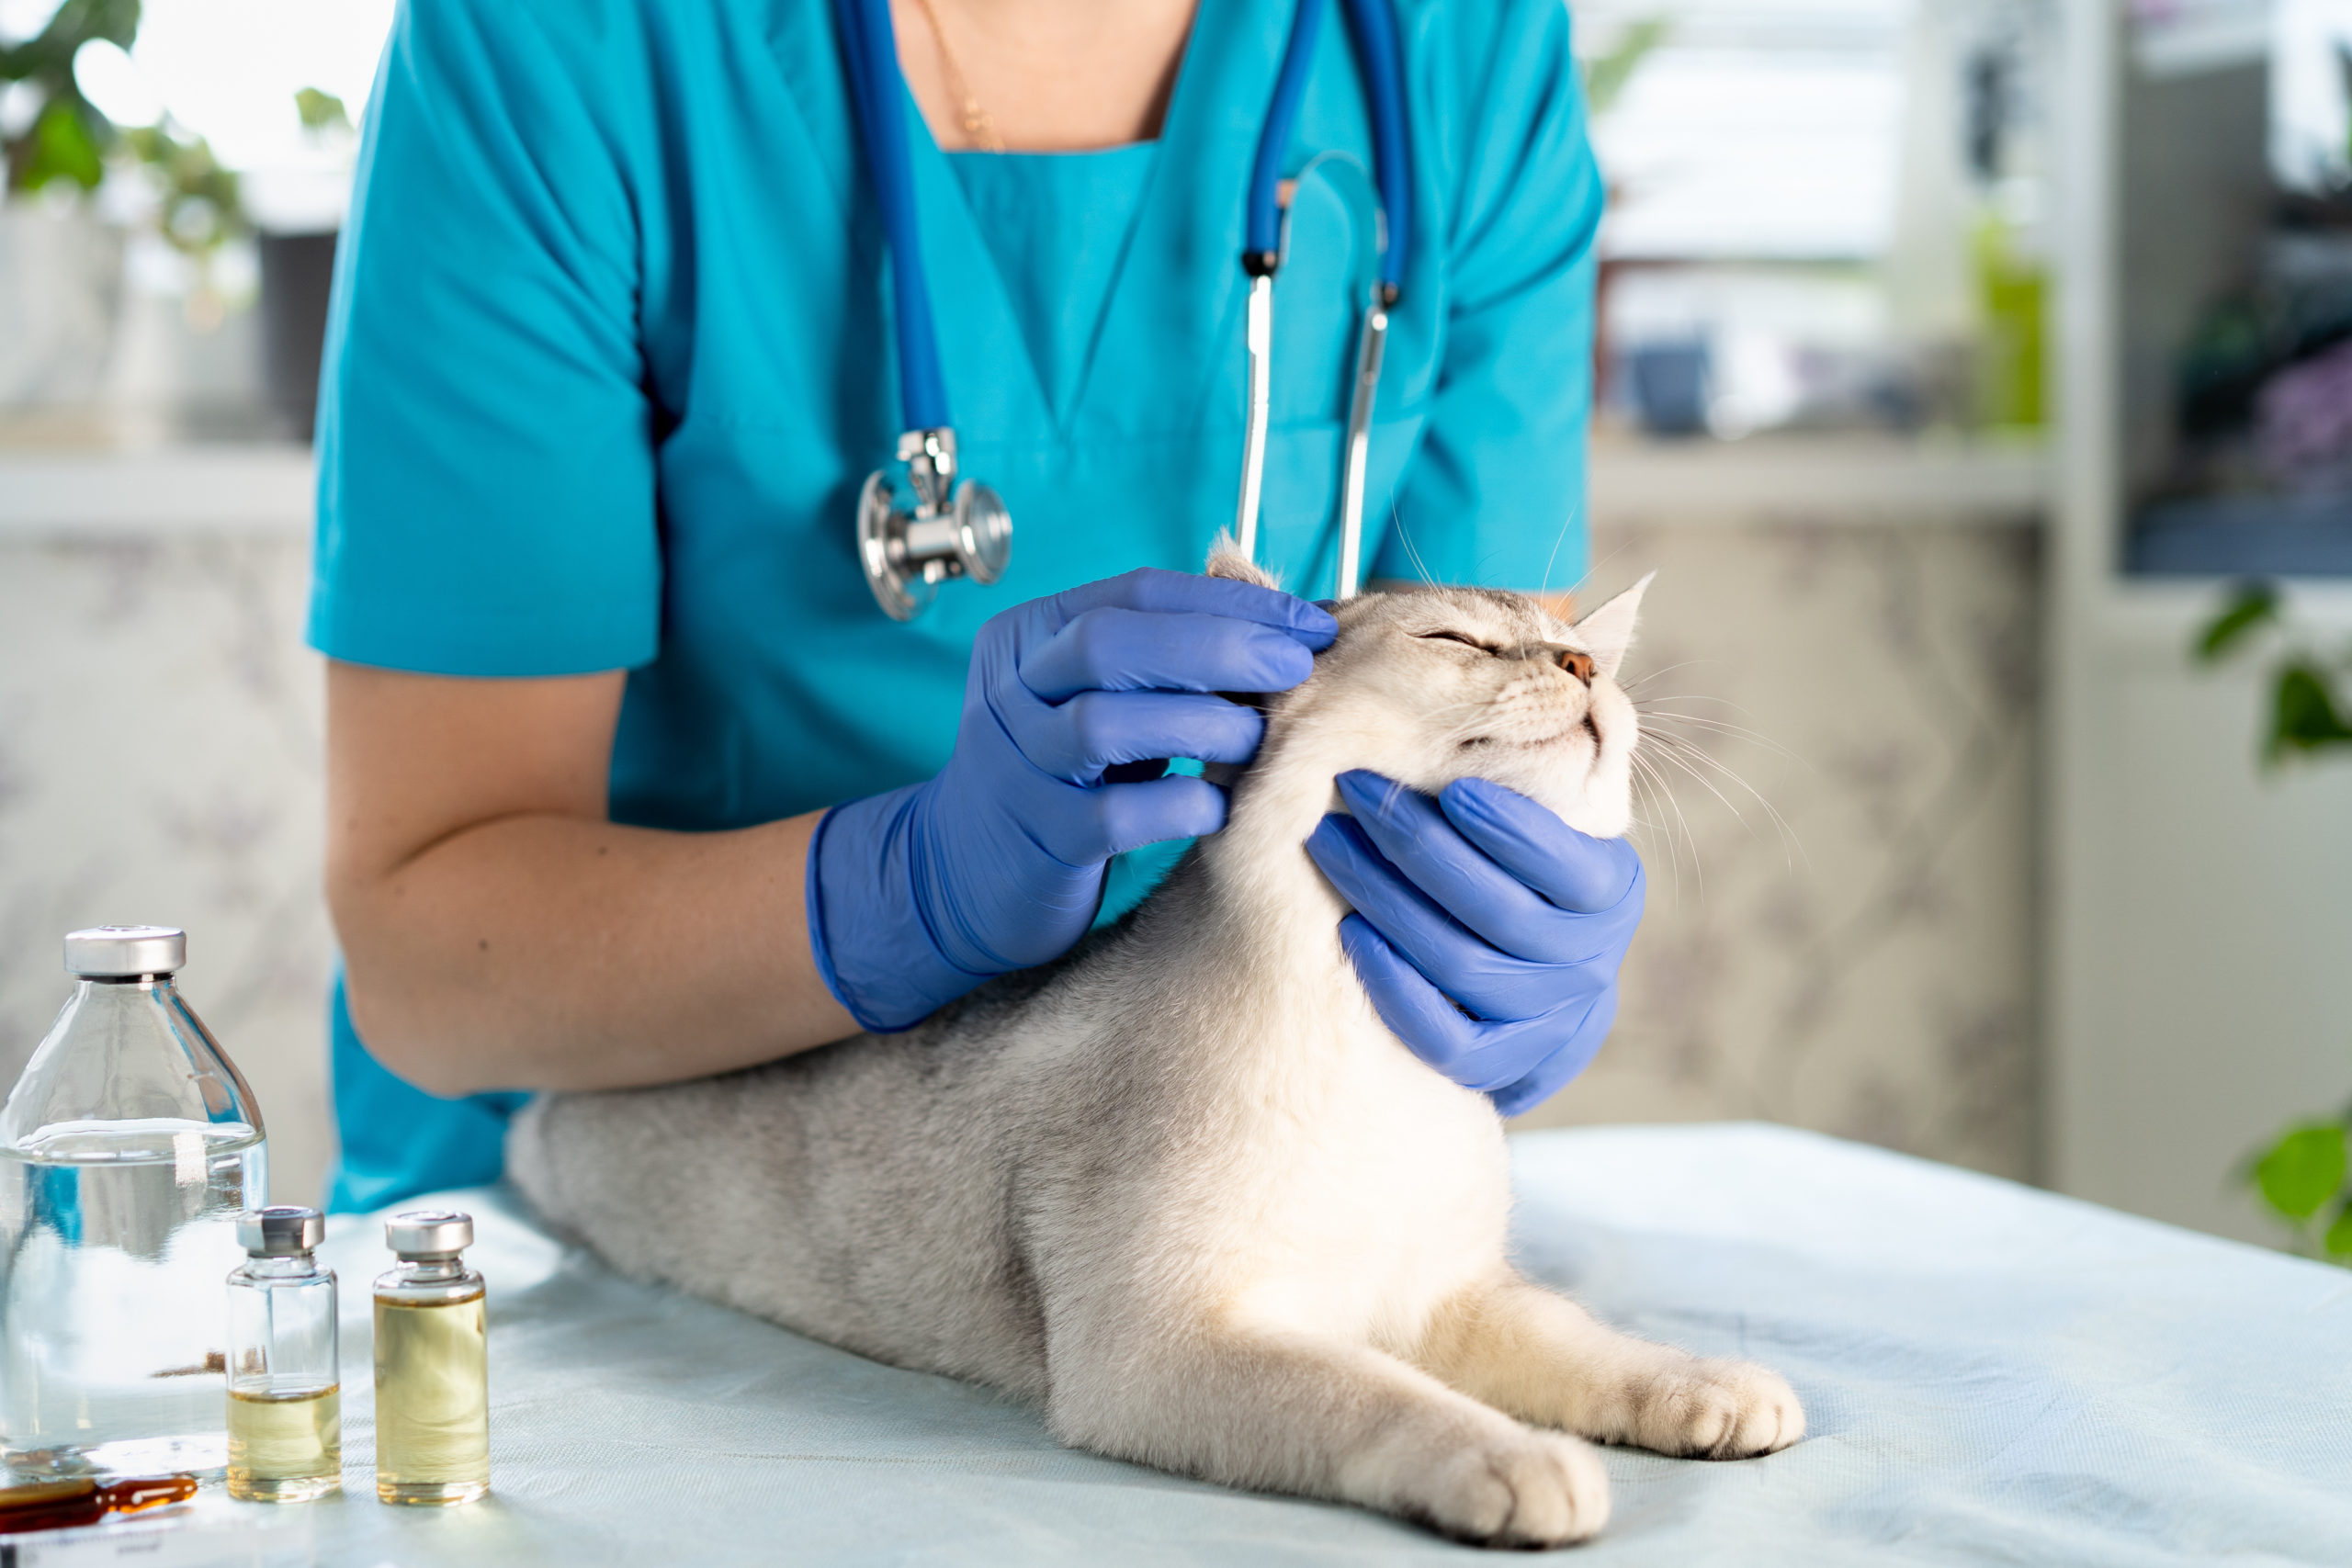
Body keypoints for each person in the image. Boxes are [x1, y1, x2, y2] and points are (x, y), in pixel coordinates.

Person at [312, 0, 1644, 1212]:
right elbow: (432, 956)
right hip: (616, 1218)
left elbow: (1481, 734)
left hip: (1194, 1190)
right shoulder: (561, 43)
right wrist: (903, 890)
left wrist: (1503, 934)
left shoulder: (1452, 45)